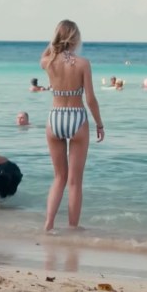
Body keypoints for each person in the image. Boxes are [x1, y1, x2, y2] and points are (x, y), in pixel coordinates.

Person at [39, 19, 104, 233]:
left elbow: (46, 53)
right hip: (76, 117)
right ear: (75, 38)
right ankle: (73, 228)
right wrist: (99, 124)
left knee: (59, 177)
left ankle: (48, 224)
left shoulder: (47, 62)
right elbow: (90, 99)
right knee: (75, 181)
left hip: (55, 118)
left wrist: (54, 42)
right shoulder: (83, 63)